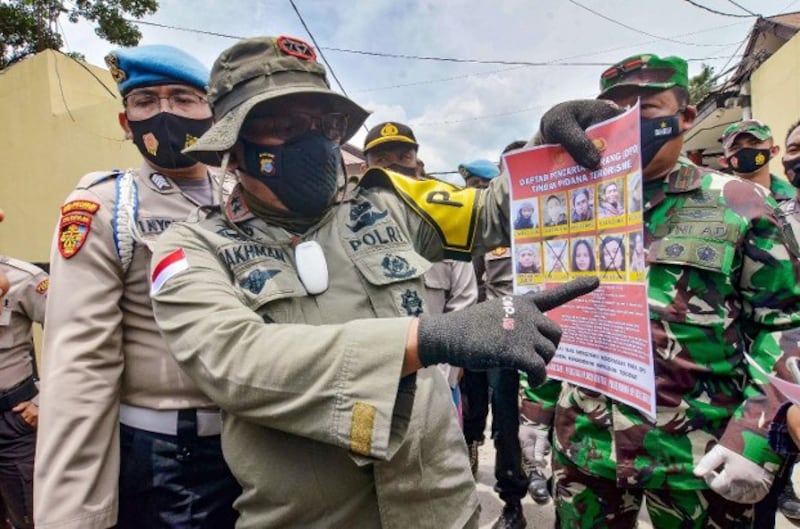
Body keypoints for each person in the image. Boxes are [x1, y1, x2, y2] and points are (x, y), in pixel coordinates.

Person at [146, 36, 597, 529]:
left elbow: (490, 211)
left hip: (444, 511)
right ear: (238, 146)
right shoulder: (192, 247)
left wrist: (548, 148)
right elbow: (231, 359)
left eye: (326, 125)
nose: (316, 140)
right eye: (291, 124)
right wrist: (431, 337)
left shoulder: (386, 204)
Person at [522, 53, 800, 528]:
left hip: (702, 458)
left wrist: (756, 437)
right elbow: (553, 317)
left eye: (645, 108)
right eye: (616, 110)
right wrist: (535, 412)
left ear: (685, 117)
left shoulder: (738, 202)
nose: (628, 122)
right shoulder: (575, 206)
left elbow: (785, 324)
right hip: (588, 450)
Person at [34, 45, 241, 529]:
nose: (165, 112)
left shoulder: (242, 196)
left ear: (212, 114)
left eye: (184, 99)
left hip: (258, 446)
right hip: (169, 460)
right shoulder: (107, 206)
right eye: (146, 101)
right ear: (126, 123)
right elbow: (81, 365)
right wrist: (72, 515)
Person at [361, 121, 478, 419]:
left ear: (418, 165)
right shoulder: (351, 234)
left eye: (403, 157)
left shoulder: (448, 226)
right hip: (376, 383)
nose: (395, 167)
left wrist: (444, 374)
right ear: (366, 170)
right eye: (382, 160)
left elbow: (464, 302)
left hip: (439, 374)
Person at [462, 144, 536, 528]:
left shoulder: (538, 222)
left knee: (515, 421)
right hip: (485, 337)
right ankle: (503, 493)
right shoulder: (479, 232)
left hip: (525, 339)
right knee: (484, 412)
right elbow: (470, 284)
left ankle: (521, 492)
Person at [0, 213, 47, 529]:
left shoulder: (22, 279)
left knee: (30, 519)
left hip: (13, 423)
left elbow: (76, 338)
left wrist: (46, 400)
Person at [718, 119, 795, 205]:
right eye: (735, 147)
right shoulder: (714, 202)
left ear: (773, 151)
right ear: (724, 161)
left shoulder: (795, 195)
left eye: (754, 143)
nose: (745, 150)